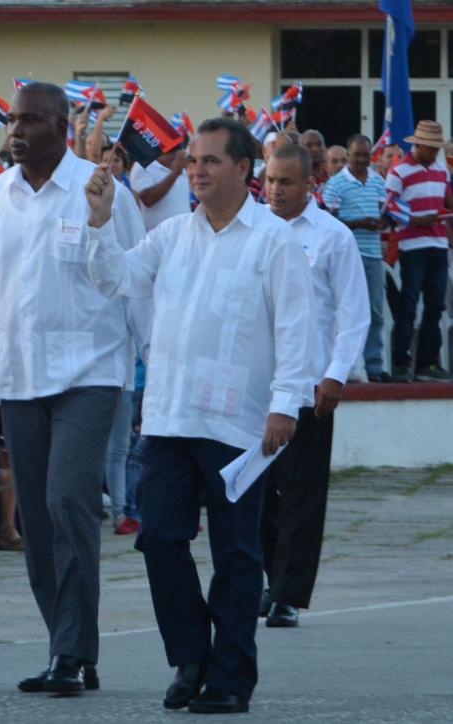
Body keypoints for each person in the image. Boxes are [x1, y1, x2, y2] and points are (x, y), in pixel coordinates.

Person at [85, 117, 317, 714]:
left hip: (240, 425)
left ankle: (231, 678)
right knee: (159, 538)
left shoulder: (274, 239)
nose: (196, 171)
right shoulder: (172, 238)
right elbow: (114, 279)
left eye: (210, 161)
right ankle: (191, 657)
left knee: (237, 554)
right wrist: (99, 219)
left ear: (244, 169)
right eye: (192, 161)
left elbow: (296, 330)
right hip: (169, 419)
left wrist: (285, 405)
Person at [0, 81, 142, 696]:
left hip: (90, 375)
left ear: (61, 125)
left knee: (67, 501)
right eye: (12, 120)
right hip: (20, 382)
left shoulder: (102, 192)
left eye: (30, 121)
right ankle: (72, 645)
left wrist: (156, 377)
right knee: (38, 519)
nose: (15, 131)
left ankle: (69, 651)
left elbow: (136, 284)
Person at [262, 143, 370, 628]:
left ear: (311, 185)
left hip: (309, 385)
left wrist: (336, 373)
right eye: (269, 181)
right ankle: (269, 578)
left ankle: (289, 592)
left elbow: (353, 314)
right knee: (258, 491)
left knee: (301, 493)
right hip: (257, 386)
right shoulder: (254, 231)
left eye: (286, 182)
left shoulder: (333, 237)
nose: (275, 191)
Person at [386, 120, 453, 382]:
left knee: (435, 306)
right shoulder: (398, 171)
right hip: (412, 246)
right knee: (409, 305)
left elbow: (448, 201)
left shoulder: (442, 170)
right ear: (420, 145)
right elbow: (390, 210)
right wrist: (417, 220)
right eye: (432, 148)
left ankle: (427, 363)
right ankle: (402, 362)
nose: (436, 153)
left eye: (438, 148)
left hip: (437, 245)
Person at [323, 135, 389, 382]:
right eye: (357, 155)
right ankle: (344, 367)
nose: (361, 159)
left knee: (374, 311)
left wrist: (383, 222)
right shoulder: (336, 184)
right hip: (346, 256)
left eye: (365, 155)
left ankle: (374, 366)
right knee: (345, 312)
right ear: (348, 155)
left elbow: (385, 213)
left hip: (372, 254)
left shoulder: (377, 181)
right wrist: (359, 223)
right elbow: (329, 222)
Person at [129, 147, 190, 231]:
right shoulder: (143, 165)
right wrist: (175, 174)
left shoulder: (182, 169)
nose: (177, 154)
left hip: (183, 235)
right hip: (157, 238)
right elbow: (147, 200)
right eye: (172, 151)